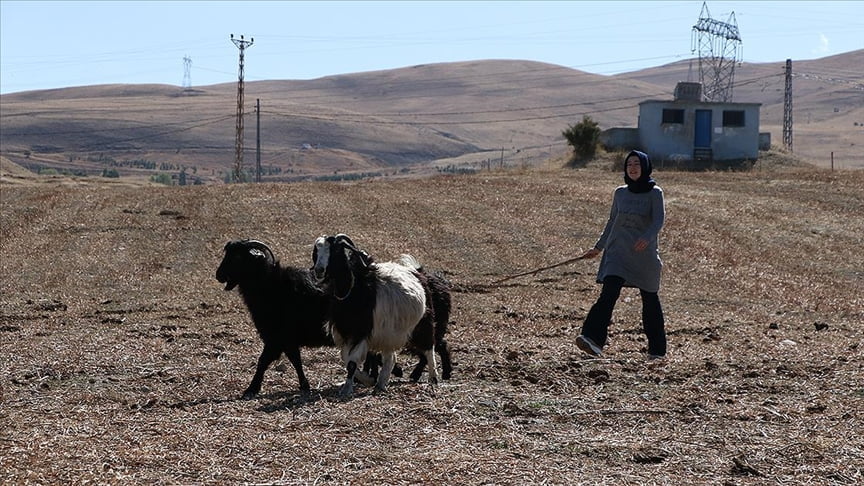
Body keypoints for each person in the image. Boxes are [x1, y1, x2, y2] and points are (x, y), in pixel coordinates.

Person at [575, 150, 667, 360]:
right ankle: (592, 339)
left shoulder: (655, 193)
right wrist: (598, 247)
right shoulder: (620, 193)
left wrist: (647, 237)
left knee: (650, 300)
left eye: (637, 164)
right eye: (629, 164)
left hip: (644, 257)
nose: (633, 168)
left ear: (645, 167)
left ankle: (657, 351)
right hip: (617, 253)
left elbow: (658, 220)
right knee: (608, 294)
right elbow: (612, 222)